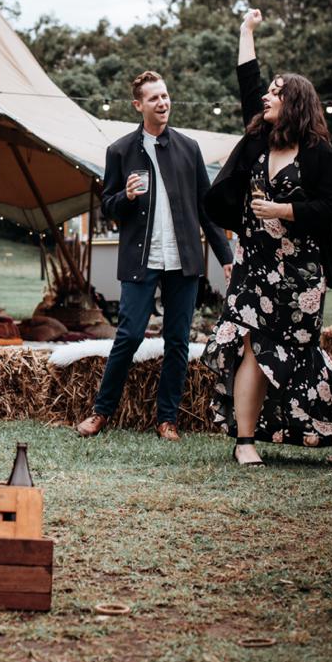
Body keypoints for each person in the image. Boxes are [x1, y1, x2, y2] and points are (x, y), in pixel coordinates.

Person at [202, 9, 332, 467]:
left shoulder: (319, 153)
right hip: (254, 266)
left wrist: (284, 210)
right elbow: (248, 80)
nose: (266, 95)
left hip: (300, 274)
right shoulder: (259, 138)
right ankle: (244, 442)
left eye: (276, 92)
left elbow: (330, 208)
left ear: (295, 102)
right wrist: (245, 31)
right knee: (249, 343)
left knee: (298, 357)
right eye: (268, 91)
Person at [76, 69, 234, 442]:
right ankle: (101, 412)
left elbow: (206, 208)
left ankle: (167, 420)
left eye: (164, 96)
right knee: (128, 335)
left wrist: (225, 256)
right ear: (138, 105)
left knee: (177, 341)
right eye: (154, 98)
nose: (162, 103)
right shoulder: (120, 151)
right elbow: (107, 206)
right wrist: (126, 197)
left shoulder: (189, 148)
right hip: (140, 260)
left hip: (183, 260)